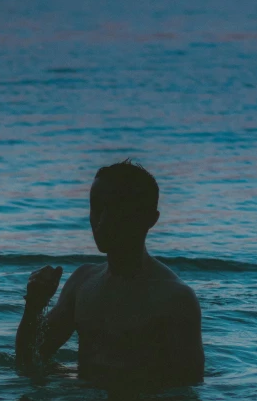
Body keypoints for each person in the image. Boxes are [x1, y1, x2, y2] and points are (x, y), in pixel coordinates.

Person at [16, 160, 204, 386]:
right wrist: (33, 306)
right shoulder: (83, 282)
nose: (102, 221)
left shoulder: (174, 298)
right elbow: (29, 359)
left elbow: (188, 393)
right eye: (96, 207)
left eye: (116, 209)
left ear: (149, 219)